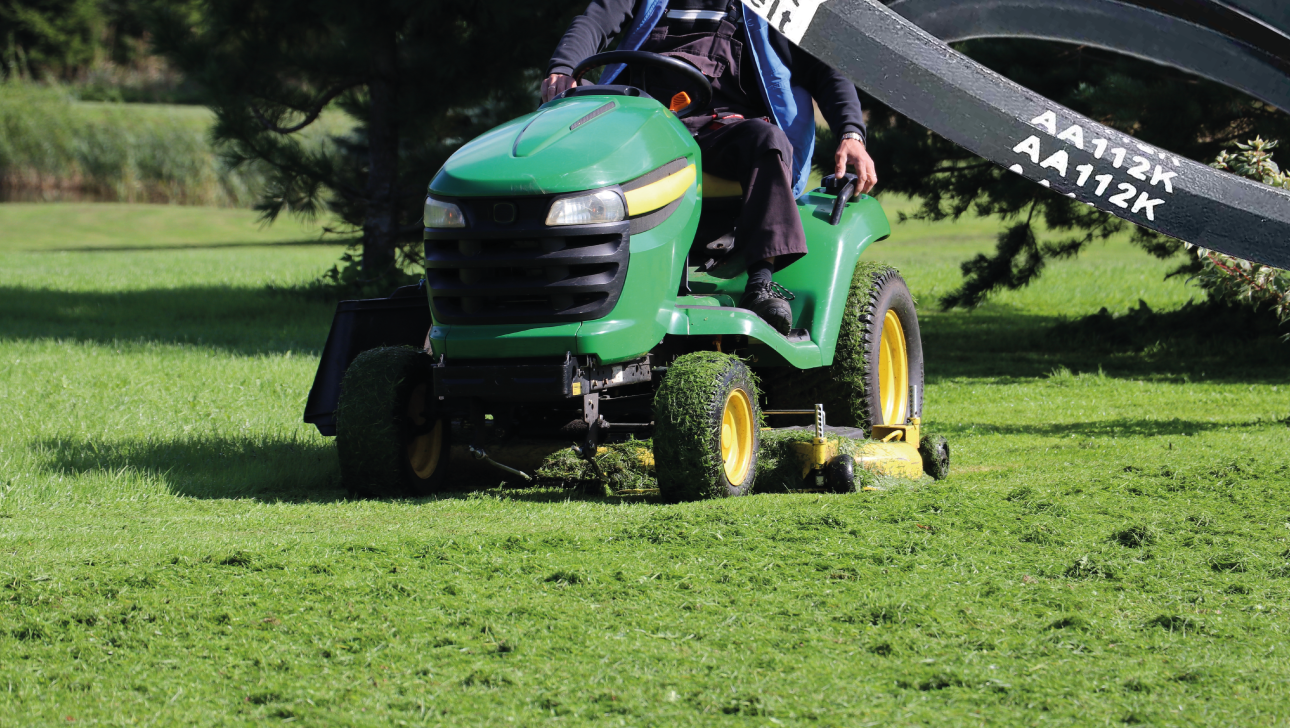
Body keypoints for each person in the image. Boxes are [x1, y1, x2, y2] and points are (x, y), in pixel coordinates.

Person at [542, 0, 878, 334]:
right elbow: (596, 19)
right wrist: (563, 68)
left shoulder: (776, 7)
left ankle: (760, 283)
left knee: (767, 138)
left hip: (722, 130)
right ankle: (562, 274)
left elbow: (826, 69)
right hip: (645, 125)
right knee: (579, 122)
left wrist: (851, 134)